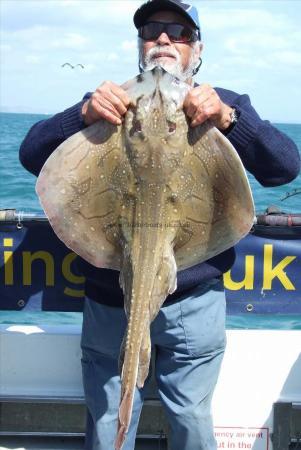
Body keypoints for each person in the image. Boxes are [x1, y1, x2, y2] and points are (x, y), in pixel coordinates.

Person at [19, 1, 300, 449]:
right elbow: (31, 155)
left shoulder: (222, 102)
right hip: (111, 298)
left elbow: (285, 166)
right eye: (152, 30)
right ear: (139, 46)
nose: (164, 39)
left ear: (197, 49)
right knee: (111, 416)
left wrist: (229, 119)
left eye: (179, 32)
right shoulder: (110, 102)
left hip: (195, 302)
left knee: (190, 418)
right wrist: (84, 114)